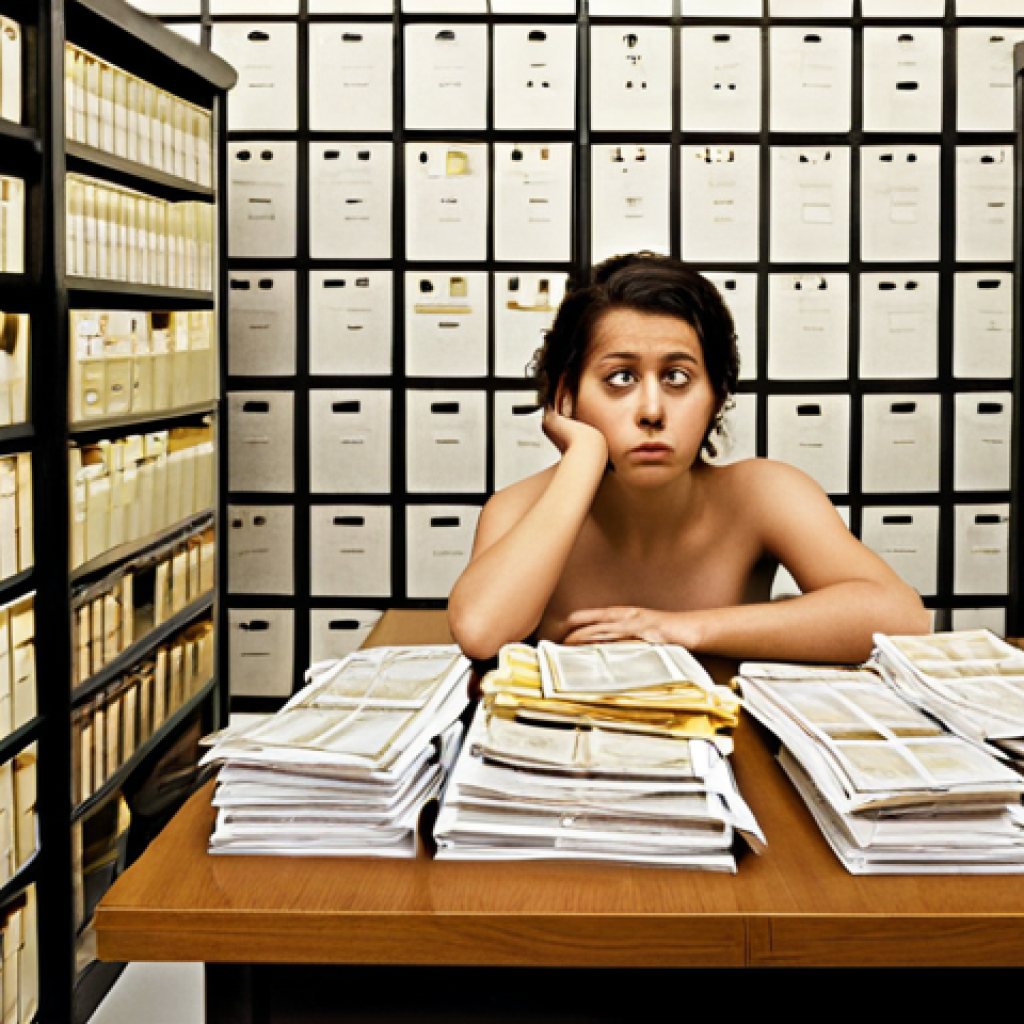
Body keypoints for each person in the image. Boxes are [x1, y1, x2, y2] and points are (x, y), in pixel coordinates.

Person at [448, 253, 930, 664]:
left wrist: (680, 629)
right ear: (566, 394)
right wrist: (582, 458)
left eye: (678, 377)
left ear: (717, 395)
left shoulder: (764, 492)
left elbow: (901, 619)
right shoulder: (516, 509)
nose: (652, 410)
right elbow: (480, 633)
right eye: (620, 378)